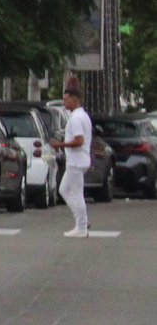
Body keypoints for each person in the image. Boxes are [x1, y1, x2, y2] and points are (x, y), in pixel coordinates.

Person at [60, 78, 94, 236]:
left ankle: (81, 226)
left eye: (66, 99)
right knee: (63, 190)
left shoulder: (76, 118)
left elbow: (79, 141)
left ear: (74, 99)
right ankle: (82, 220)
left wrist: (60, 145)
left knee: (76, 193)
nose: (64, 103)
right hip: (78, 161)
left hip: (76, 161)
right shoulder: (83, 115)